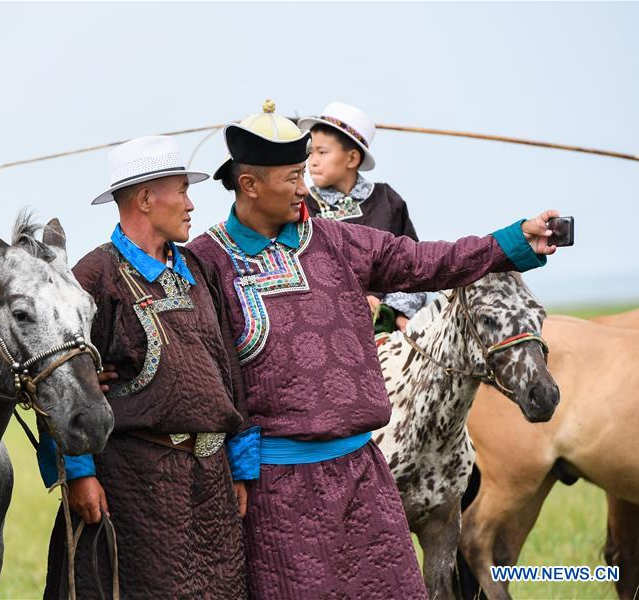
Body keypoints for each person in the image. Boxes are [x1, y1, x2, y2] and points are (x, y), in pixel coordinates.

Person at [187, 100, 561, 599]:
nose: (305, 188)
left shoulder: (338, 241)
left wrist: (514, 240)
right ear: (249, 184)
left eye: (306, 171)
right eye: (292, 176)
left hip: (363, 475)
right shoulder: (206, 263)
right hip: (276, 489)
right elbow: (199, 373)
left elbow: (432, 261)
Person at [39, 135, 258, 599]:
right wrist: (78, 472)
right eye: (181, 190)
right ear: (144, 198)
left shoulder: (200, 269)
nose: (191, 204)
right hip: (135, 485)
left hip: (211, 484)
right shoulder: (93, 278)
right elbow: (62, 387)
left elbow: (228, 370)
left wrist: (240, 464)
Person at [300, 101, 425, 332]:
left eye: (322, 152)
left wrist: (391, 311)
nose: (313, 161)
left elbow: (412, 265)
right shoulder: (301, 206)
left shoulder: (387, 201)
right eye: (310, 152)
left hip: (383, 329)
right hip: (321, 326)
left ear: (352, 159)